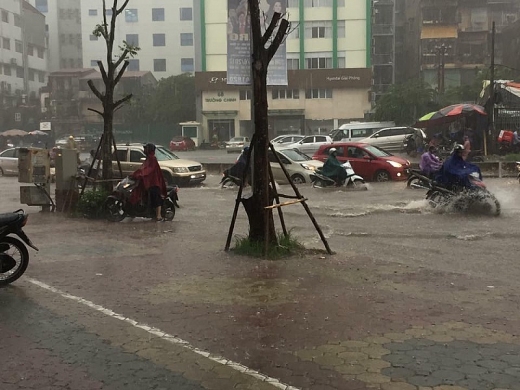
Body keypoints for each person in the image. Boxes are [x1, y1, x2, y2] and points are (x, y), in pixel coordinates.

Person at [131, 143, 167, 222]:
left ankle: (159, 216)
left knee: (155, 197)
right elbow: (142, 168)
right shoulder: (148, 159)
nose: (144, 150)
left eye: (145, 149)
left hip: (154, 182)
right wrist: (135, 174)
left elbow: (148, 170)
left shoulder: (152, 159)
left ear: (149, 150)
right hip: (148, 182)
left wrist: (140, 174)